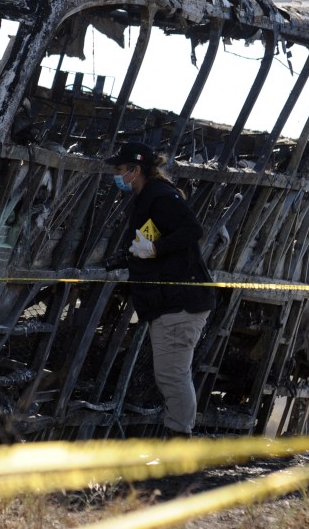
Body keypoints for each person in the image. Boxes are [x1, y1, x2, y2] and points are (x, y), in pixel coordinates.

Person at [104, 141, 215, 439]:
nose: (115, 175)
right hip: (172, 303)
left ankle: (179, 445)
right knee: (171, 374)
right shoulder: (148, 197)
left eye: (118, 169)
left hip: (180, 303)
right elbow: (152, 237)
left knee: (172, 374)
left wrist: (155, 250)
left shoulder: (161, 196)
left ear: (134, 170)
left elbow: (193, 230)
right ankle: (177, 441)